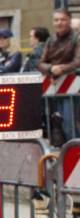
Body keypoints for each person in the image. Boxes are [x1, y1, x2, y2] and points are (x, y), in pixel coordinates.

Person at [38, 9, 80, 140]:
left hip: (72, 88)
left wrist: (62, 69)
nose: (59, 22)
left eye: (63, 19)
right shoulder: (50, 40)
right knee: (55, 126)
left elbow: (78, 60)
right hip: (52, 87)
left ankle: (76, 155)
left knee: (69, 124)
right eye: (56, 20)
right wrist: (51, 69)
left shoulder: (77, 38)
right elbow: (40, 63)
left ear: (68, 21)